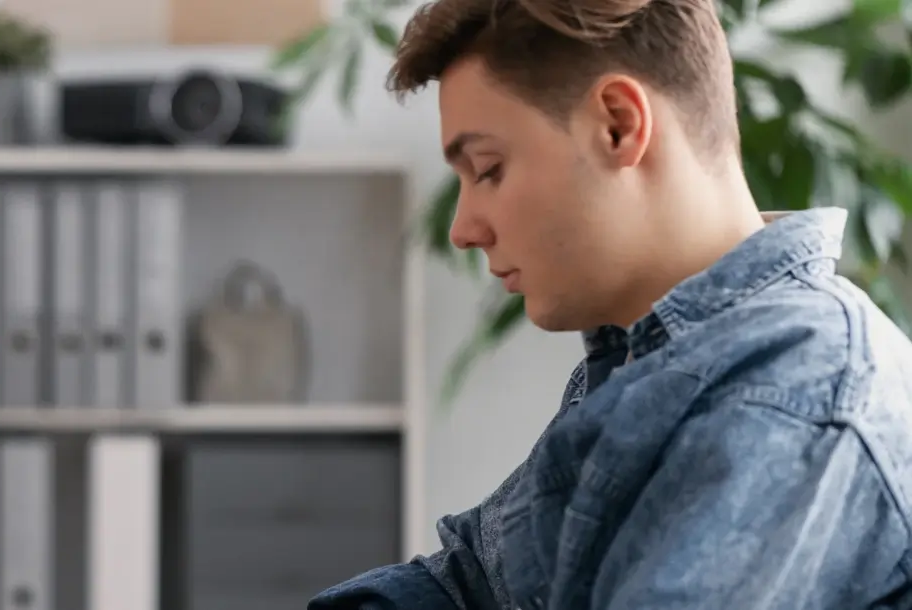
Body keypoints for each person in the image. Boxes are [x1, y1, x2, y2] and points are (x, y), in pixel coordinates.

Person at [310, 0, 912, 607]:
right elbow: (473, 582)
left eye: (488, 169)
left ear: (618, 125)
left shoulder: (793, 388)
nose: (462, 229)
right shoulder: (648, 360)